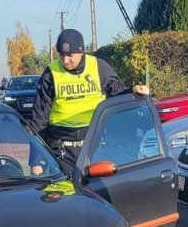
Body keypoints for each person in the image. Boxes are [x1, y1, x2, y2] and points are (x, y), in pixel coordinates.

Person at [28, 29, 150, 172]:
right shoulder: (51, 74)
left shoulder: (99, 67)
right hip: (62, 151)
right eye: (61, 55)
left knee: (97, 191)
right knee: (66, 193)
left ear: (81, 52)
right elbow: (38, 119)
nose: (65, 61)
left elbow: (118, 92)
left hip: (95, 148)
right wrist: (36, 161)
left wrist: (134, 91)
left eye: (70, 56)